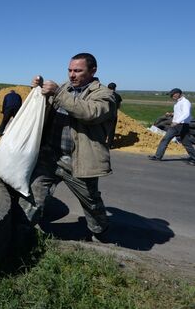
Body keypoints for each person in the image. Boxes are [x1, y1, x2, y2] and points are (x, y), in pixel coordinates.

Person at [18, 53, 116, 241]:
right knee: (33, 192)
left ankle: (100, 231)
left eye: (78, 71)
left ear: (93, 70)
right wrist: (39, 91)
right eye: (70, 70)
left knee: (91, 202)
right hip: (49, 156)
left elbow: (90, 112)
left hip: (77, 161)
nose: (72, 75)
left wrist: (58, 93)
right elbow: (46, 110)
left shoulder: (104, 94)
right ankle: (23, 231)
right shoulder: (64, 89)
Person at [148, 88, 195, 166]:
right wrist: (171, 114)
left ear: (178, 94)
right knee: (166, 139)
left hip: (182, 125)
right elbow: (180, 112)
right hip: (176, 125)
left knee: (186, 143)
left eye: (172, 94)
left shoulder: (185, 102)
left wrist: (177, 121)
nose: (171, 96)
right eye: (171, 95)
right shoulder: (177, 103)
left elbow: (186, 113)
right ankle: (158, 156)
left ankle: (194, 158)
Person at [107, 82, 122, 148]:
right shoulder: (118, 96)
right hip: (113, 115)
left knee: (102, 129)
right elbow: (119, 106)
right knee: (112, 130)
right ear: (115, 88)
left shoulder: (104, 94)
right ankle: (109, 145)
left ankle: (101, 143)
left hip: (104, 115)